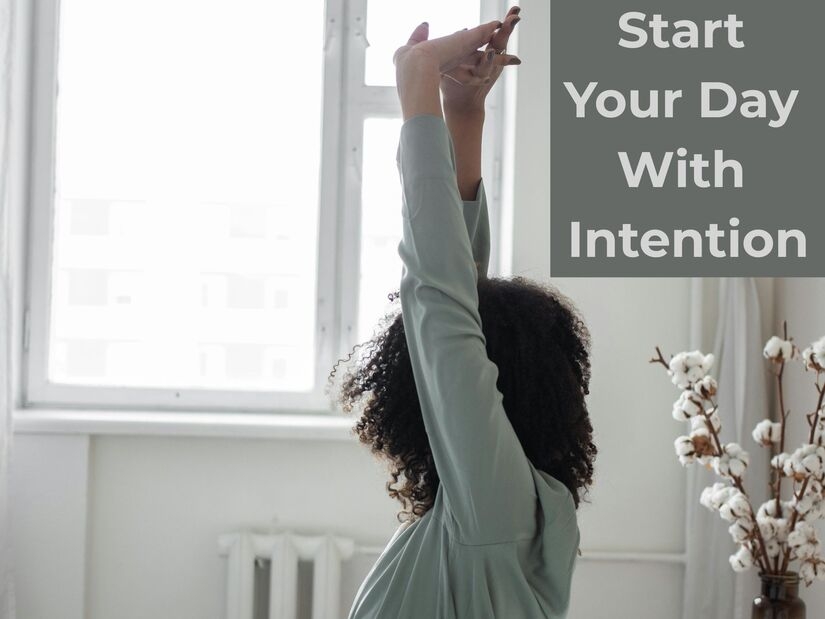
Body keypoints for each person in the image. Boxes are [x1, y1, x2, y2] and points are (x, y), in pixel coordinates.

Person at [329, 8, 596, 618]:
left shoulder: (492, 505)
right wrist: (465, 115)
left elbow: (441, 301)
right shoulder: (514, 508)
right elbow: (457, 304)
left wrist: (418, 82)